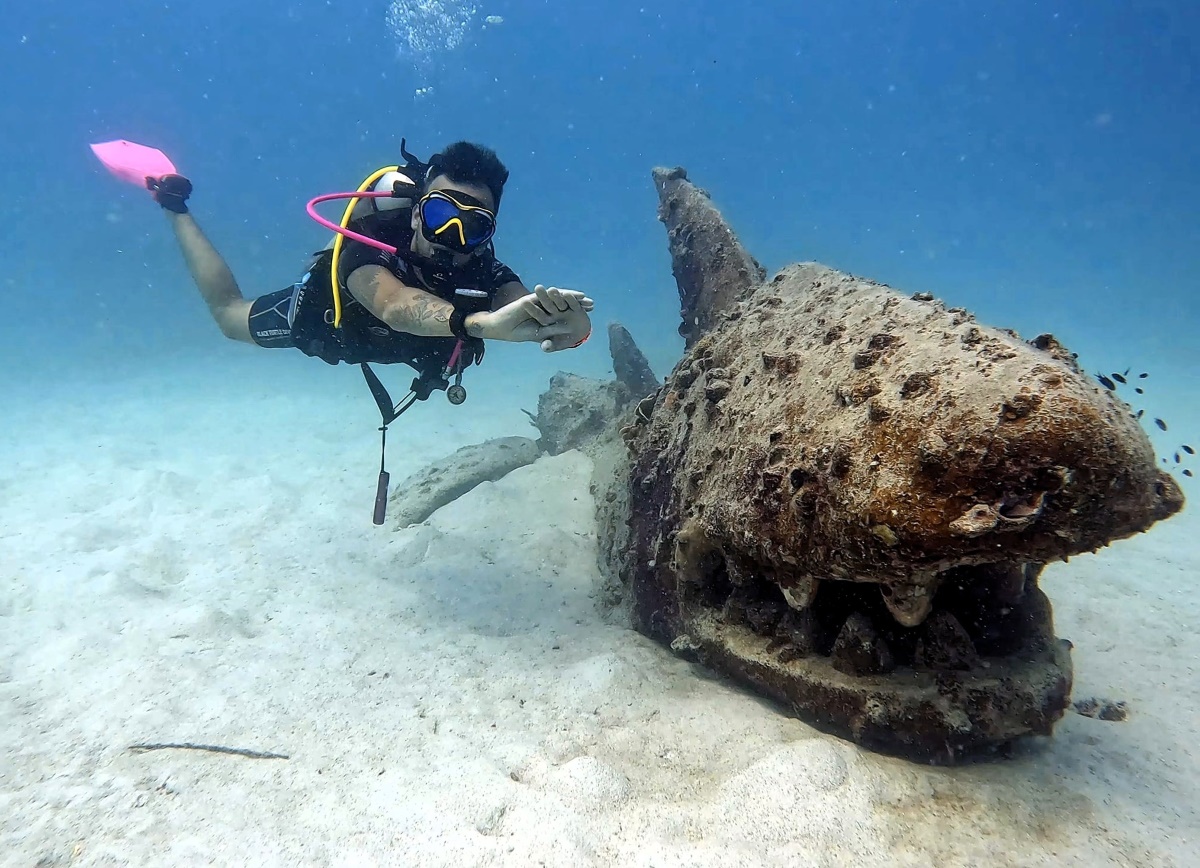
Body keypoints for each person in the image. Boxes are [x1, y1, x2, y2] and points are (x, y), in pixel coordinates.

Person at [145, 139, 594, 521]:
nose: (453, 234)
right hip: (333, 323)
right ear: (417, 213)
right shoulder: (368, 242)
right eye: (441, 214)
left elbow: (531, 315)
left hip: (414, 344)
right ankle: (173, 206)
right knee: (229, 317)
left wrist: (572, 328)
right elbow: (395, 306)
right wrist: (476, 323)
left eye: (473, 226)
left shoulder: (488, 272)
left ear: (488, 233)